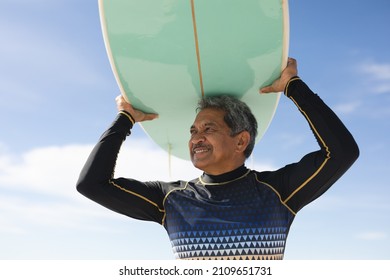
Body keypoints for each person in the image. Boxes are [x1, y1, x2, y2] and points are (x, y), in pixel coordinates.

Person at [76, 58, 359, 260]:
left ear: (241, 140)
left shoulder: (278, 191)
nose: (196, 138)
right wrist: (125, 120)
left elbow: (342, 152)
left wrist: (293, 87)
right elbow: (91, 185)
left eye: (208, 129)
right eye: (193, 130)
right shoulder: (170, 199)